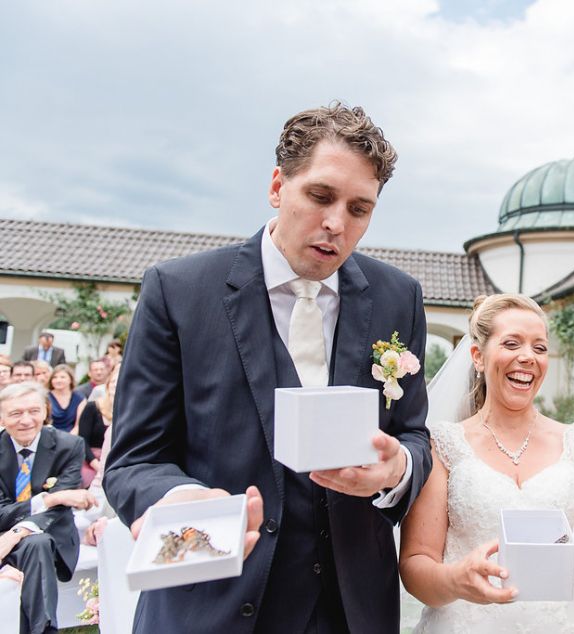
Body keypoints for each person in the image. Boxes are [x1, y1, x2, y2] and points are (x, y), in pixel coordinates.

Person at [104, 103, 432, 634]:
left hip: (350, 613)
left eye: (359, 209)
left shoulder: (400, 297)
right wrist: (179, 499)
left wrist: (398, 471)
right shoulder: (180, 292)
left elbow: (414, 433)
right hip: (210, 605)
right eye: (321, 196)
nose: (336, 224)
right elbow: (134, 460)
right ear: (278, 186)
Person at [400, 294, 574, 633]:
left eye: (540, 348)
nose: (527, 358)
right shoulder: (443, 446)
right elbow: (415, 563)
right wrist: (455, 580)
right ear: (478, 356)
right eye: (512, 344)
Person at [0, 381, 98, 634]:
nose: (26, 420)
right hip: (3, 534)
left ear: (45, 411)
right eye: (15, 413)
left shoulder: (69, 445)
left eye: (34, 411)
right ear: (1, 417)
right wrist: (50, 498)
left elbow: (58, 511)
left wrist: (17, 534)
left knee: (38, 542)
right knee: (35, 543)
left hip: (51, 534)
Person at [76, 362, 118, 488]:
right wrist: (97, 465)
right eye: (113, 383)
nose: (115, 387)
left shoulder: (128, 412)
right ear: (107, 386)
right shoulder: (92, 408)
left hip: (115, 461)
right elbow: (82, 441)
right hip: (91, 460)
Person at [46, 365, 85, 434]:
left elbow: (78, 425)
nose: (58, 380)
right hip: (49, 434)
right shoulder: (45, 397)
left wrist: (68, 439)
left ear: (70, 379)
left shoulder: (80, 398)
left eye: (62, 377)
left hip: (72, 436)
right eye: (55, 377)